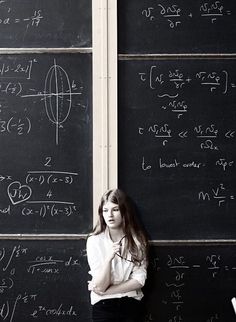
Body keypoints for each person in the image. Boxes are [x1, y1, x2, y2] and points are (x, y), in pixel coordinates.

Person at [86, 188, 149, 322]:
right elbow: (101, 285)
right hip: (103, 306)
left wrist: (107, 291)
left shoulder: (137, 240)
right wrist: (108, 259)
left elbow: (139, 280)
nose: (110, 215)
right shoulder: (94, 241)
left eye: (115, 210)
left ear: (124, 212)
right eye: (105, 210)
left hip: (131, 303)